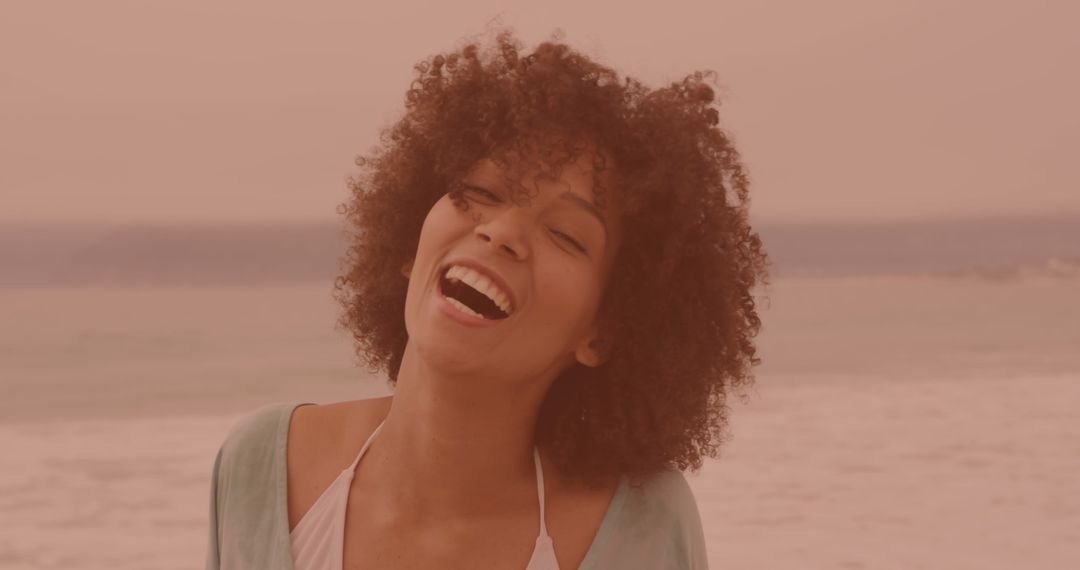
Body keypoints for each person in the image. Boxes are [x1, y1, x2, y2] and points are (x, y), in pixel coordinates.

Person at [205, 28, 770, 570]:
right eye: (480, 192)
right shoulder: (261, 468)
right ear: (409, 244)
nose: (502, 232)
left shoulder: (643, 522)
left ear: (602, 331)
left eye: (566, 235)